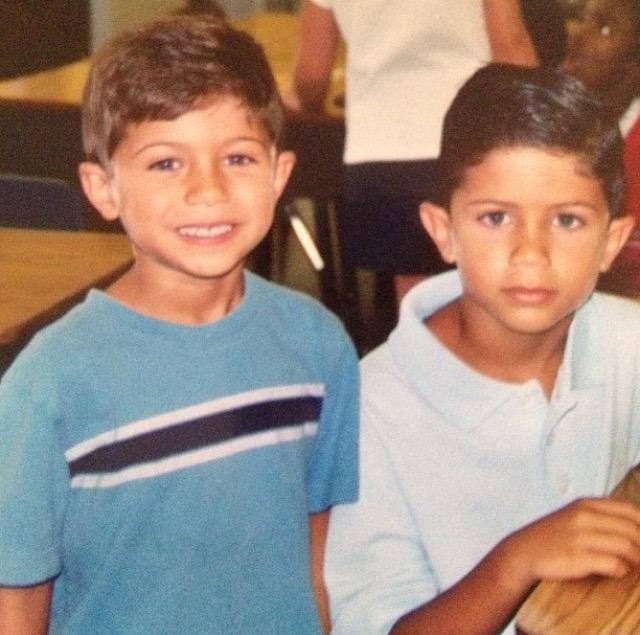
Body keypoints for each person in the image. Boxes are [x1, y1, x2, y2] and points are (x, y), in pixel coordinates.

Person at [0, 15, 358, 634]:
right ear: (103, 188)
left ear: (279, 177)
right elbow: (16, 599)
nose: (208, 190)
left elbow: (318, 556)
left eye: (239, 158)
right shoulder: (50, 381)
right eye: (166, 164)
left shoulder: (318, 344)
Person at [324, 63, 640, 635]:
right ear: (443, 231)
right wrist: (513, 564)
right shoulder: (370, 408)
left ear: (611, 242)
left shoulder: (626, 341)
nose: (530, 253)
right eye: (496, 218)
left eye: (567, 220)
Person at [286, 0, 537, 348]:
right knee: (490, 295)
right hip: (473, 144)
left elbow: (312, 77)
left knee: (416, 304)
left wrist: (306, 104)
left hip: (381, 153)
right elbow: (511, 50)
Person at [562, 0, 640, 295]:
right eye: (582, 19)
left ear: (634, 61)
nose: (578, 35)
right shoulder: (557, 126)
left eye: (605, 29)